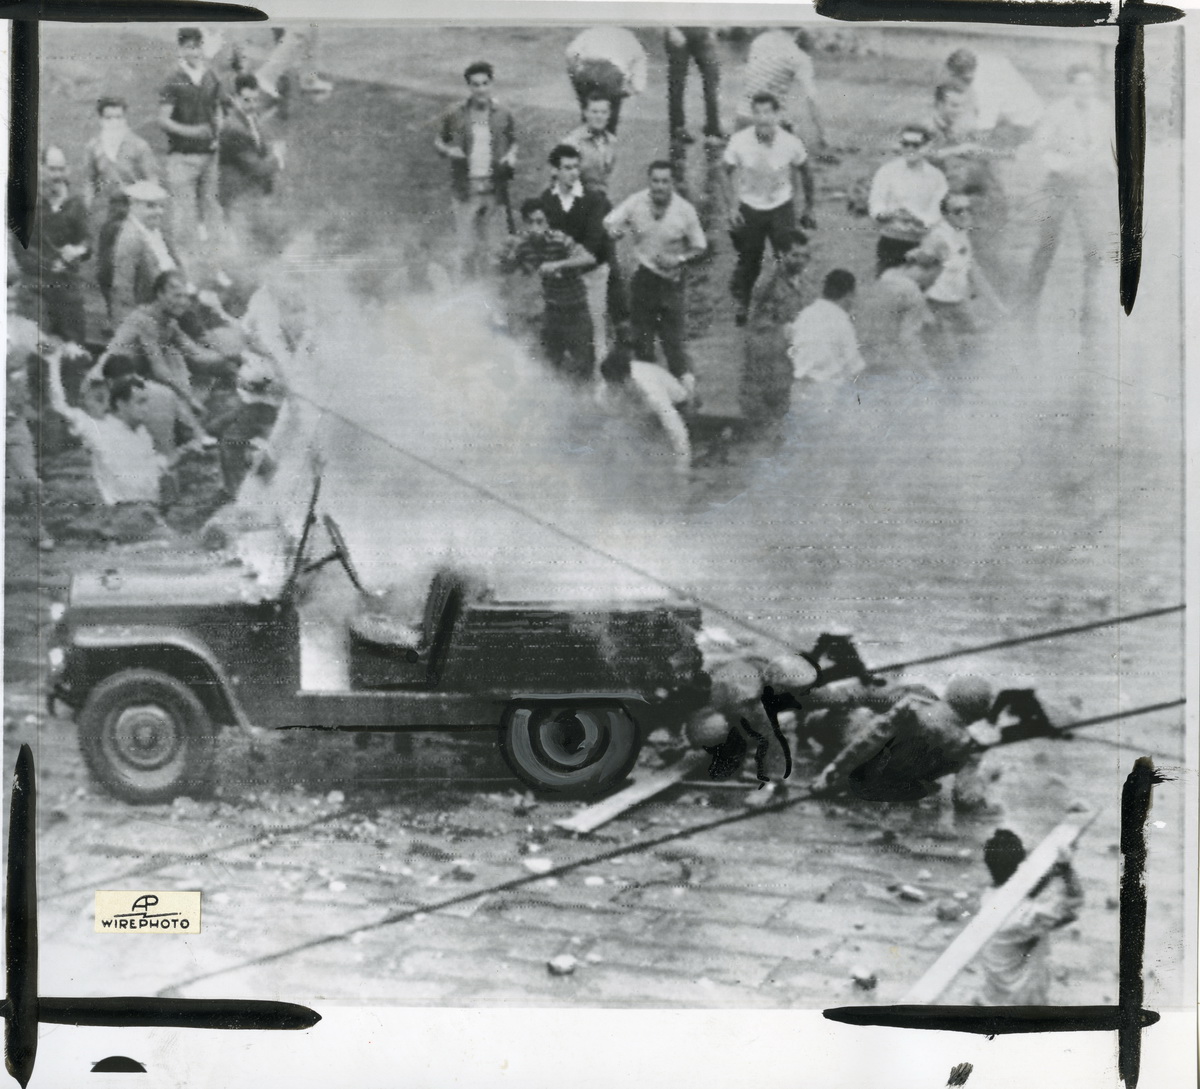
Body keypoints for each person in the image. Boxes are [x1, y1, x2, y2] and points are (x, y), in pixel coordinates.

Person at [810, 674, 1000, 818]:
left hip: (850, 734)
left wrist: (834, 772)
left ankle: (806, 706)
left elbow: (868, 741)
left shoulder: (914, 707)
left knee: (833, 719)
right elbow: (966, 798)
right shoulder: (968, 745)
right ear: (979, 713)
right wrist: (984, 779)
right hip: (883, 777)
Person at [46, 351, 173, 543]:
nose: (146, 409)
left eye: (146, 402)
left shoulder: (143, 434)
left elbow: (153, 478)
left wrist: (171, 464)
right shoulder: (99, 429)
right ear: (121, 404)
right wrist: (53, 363)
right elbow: (59, 406)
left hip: (148, 513)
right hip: (127, 513)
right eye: (140, 402)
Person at [103, 270, 235, 454]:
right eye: (176, 296)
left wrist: (232, 356)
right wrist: (189, 398)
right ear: (160, 294)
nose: (183, 302)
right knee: (169, 387)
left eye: (186, 296)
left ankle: (194, 435)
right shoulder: (145, 320)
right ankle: (192, 438)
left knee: (174, 369)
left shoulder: (169, 323)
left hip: (135, 379)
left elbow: (196, 353)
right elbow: (160, 371)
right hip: (111, 382)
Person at [1024, 64, 1116, 327]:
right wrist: (1065, 166)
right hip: (1060, 184)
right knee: (1047, 242)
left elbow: (1112, 148)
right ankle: (1028, 302)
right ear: (1070, 86)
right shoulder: (1056, 111)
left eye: (1089, 84)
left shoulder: (1104, 112)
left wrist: (1103, 169)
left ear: (1095, 87)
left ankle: (1091, 306)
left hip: (1090, 186)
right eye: (1079, 84)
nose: (1084, 90)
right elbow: (1042, 147)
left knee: (1094, 245)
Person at [604, 160, 708, 383]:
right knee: (642, 346)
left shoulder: (685, 210)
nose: (659, 187)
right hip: (644, 280)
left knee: (674, 346)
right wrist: (614, 231)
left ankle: (685, 394)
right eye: (655, 181)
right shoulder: (636, 202)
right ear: (649, 181)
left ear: (672, 183)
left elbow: (700, 247)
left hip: (672, 283)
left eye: (665, 181)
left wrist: (678, 259)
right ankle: (651, 394)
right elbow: (609, 221)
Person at [723, 92, 815, 325]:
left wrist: (809, 208)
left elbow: (806, 171)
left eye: (767, 113)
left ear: (777, 115)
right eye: (758, 113)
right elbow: (725, 172)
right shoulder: (739, 140)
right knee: (749, 259)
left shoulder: (790, 142)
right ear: (752, 116)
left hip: (780, 205)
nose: (763, 118)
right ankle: (744, 303)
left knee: (788, 257)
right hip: (750, 205)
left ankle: (792, 304)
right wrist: (732, 207)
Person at [977, 830, 1084, 1005]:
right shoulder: (1025, 916)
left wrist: (1053, 869)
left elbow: (1027, 890)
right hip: (1020, 999)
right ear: (1020, 866)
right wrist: (1066, 869)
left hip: (996, 992)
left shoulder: (989, 897)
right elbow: (1072, 907)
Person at [434, 61, 518, 280]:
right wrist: (449, 151)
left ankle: (493, 290)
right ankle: (467, 289)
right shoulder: (455, 113)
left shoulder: (503, 113)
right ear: (469, 87)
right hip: (466, 188)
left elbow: (513, 142)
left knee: (496, 248)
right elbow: (438, 142)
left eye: (485, 83)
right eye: (475, 85)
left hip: (494, 188)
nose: (481, 89)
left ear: (491, 84)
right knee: (467, 249)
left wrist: (511, 155)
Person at [498, 198, 596, 382]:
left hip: (576, 310)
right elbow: (505, 269)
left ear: (547, 222)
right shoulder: (522, 244)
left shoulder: (559, 239)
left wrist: (559, 264)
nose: (535, 227)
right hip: (552, 311)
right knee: (550, 364)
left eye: (540, 221)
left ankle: (584, 395)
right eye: (530, 222)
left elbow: (589, 258)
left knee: (584, 365)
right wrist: (505, 256)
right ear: (524, 223)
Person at [84, 96, 160, 321]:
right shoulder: (94, 147)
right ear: (101, 119)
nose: (114, 122)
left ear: (125, 118)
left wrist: (146, 207)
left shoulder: (138, 146)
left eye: (118, 117)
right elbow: (89, 181)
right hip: (109, 211)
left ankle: (145, 315)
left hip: (136, 208)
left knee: (141, 266)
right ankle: (113, 315)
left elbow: (152, 180)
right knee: (105, 268)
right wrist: (88, 208)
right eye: (109, 118)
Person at [539, 143, 612, 366]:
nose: (573, 173)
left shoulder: (593, 200)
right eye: (567, 168)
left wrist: (559, 264)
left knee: (596, 333)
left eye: (576, 167)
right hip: (564, 279)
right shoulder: (546, 199)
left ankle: (599, 378)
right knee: (562, 332)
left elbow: (591, 249)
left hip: (592, 273)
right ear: (555, 171)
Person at [158, 27, 224, 265]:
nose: (194, 52)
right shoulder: (173, 79)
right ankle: (186, 266)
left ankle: (214, 263)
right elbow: (163, 120)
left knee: (212, 210)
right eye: (188, 47)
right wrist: (192, 131)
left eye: (197, 47)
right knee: (184, 214)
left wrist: (218, 129)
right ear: (180, 49)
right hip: (182, 157)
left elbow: (217, 107)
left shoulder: (210, 75)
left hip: (209, 156)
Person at [918, 194, 1007, 366]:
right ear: (946, 215)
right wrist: (923, 311)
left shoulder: (961, 233)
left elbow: (975, 273)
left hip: (958, 303)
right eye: (958, 211)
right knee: (949, 359)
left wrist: (998, 306)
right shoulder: (936, 238)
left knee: (977, 350)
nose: (965, 214)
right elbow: (918, 274)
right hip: (936, 306)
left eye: (968, 209)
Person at [16, 146, 91, 344]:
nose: (57, 175)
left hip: (68, 286)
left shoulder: (75, 203)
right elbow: (21, 252)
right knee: (39, 346)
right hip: (36, 286)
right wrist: (51, 265)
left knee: (75, 346)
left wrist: (77, 250)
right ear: (40, 168)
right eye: (52, 169)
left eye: (61, 169)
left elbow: (87, 242)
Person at [739, 228, 812, 428]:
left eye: (805, 256)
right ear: (781, 254)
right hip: (769, 358)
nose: (801, 261)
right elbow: (757, 325)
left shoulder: (802, 281)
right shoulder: (768, 283)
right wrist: (786, 331)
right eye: (795, 255)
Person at [599, 332, 693, 476]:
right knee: (618, 428)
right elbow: (612, 422)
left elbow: (677, 430)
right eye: (612, 387)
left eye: (619, 386)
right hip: (640, 405)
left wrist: (682, 466)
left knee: (678, 406)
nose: (615, 391)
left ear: (628, 379)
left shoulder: (652, 391)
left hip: (676, 398)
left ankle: (689, 381)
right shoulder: (604, 393)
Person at [868, 124, 948, 276]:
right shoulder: (887, 172)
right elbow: (876, 205)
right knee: (888, 285)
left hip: (922, 244)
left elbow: (937, 213)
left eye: (916, 145)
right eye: (905, 144)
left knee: (919, 286)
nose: (910, 149)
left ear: (927, 146)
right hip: (891, 242)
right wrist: (888, 214)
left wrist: (917, 220)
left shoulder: (936, 178)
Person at [854, 248, 941, 377]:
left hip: (860, 361)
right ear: (924, 270)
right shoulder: (911, 290)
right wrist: (928, 373)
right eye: (934, 278)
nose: (932, 284)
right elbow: (908, 338)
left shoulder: (877, 279)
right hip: (889, 365)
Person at [735, 28, 825, 147]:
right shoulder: (798, 56)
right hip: (768, 124)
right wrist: (823, 135)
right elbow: (812, 98)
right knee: (796, 139)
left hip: (742, 120)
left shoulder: (759, 41)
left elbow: (748, 77)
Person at [109, 180, 183, 326]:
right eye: (151, 206)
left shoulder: (157, 232)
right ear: (133, 206)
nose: (159, 212)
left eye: (161, 206)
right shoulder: (131, 239)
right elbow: (123, 289)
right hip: (148, 318)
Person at [787, 269, 865, 396]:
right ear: (849, 295)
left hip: (799, 387)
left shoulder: (805, 314)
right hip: (827, 390)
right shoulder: (841, 320)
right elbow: (854, 365)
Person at [945, 48, 1043, 142]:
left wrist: (963, 137)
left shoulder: (984, 88)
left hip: (1026, 124)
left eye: (954, 76)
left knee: (979, 143)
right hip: (1031, 108)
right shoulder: (984, 60)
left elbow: (984, 130)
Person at [218, 74, 282, 216]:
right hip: (236, 198)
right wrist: (278, 158)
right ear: (235, 98)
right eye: (246, 100)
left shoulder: (250, 120)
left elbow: (262, 148)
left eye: (255, 100)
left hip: (249, 196)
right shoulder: (233, 128)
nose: (252, 105)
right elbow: (255, 167)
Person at [565, 27, 647, 134]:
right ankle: (605, 136)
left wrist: (575, 76)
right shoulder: (634, 42)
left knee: (589, 109)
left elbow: (570, 52)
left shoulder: (592, 31)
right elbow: (639, 74)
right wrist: (632, 90)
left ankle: (588, 136)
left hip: (587, 71)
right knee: (609, 113)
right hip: (611, 74)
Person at [664, 27, 724, 146]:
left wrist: (713, 28)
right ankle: (678, 128)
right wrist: (670, 28)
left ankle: (713, 128)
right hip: (679, 28)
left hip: (703, 30)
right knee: (677, 83)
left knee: (712, 78)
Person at [563, 94, 618, 195]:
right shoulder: (573, 141)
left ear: (609, 115)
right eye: (594, 112)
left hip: (600, 198)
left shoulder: (611, 141)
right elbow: (564, 180)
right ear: (585, 113)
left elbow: (607, 175)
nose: (599, 116)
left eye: (604, 112)